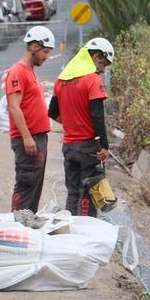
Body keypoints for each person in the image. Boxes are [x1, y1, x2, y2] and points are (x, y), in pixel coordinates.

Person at [49, 38, 113, 216]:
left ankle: (70, 229)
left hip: (68, 147)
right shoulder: (92, 80)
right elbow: (97, 116)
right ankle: (85, 232)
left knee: (72, 191)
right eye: (104, 64)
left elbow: (52, 111)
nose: (103, 70)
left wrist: (71, 123)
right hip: (87, 148)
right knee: (88, 192)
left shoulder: (61, 80)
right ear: (97, 57)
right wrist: (105, 147)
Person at [5, 25, 55, 212]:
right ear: (34, 46)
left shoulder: (30, 71)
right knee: (26, 185)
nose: (47, 56)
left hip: (38, 138)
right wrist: (26, 137)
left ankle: (27, 225)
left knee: (34, 187)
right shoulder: (18, 71)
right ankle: (17, 225)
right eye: (45, 52)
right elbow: (14, 107)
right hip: (29, 140)